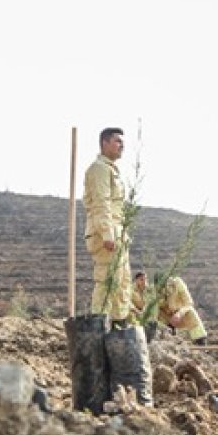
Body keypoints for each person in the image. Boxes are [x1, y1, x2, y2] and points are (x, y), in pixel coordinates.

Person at [83, 127, 133, 326]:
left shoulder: (111, 169)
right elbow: (101, 203)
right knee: (107, 281)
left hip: (117, 232)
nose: (122, 145)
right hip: (106, 233)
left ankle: (118, 325)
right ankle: (99, 326)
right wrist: (107, 234)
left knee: (121, 282)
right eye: (117, 141)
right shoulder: (99, 169)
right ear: (104, 143)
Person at [156, 274, 208, 345]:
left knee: (191, 313)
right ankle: (168, 338)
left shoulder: (178, 284)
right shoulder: (154, 290)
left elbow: (188, 303)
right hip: (164, 316)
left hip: (181, 314)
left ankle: (200, 341)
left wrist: (179, 313)